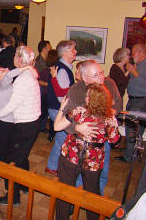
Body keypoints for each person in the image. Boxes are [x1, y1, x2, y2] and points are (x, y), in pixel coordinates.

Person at [54, 84, 120, 220]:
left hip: (73, 156)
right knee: (91, 194)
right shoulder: (109, 119)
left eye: (89, 95)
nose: (86, 97)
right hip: (90, 161)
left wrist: (62, 108)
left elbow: (56, 126)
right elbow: (115, 140)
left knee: (66, 192)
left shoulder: (79, 111)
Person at [0, 46, 40, 205]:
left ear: (17, 60)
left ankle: (14, 198)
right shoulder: (27, 74)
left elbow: (12, 105)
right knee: (20, 158)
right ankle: (24, 187)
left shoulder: (24, 78)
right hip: (30, 123)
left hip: (26, 125)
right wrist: (28, 66)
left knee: (14, 163)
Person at [62, 60, 122, 195]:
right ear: (84, 78)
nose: (101, 77)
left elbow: (118, 104)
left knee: (99, 177)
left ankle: (94, 203)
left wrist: (110, 114)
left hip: (100, 144)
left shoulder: (109, 84)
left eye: (101, 72)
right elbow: (64, 121)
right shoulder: (75, 91)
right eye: (96, 75)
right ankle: (74, 202)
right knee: (75, 179)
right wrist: (77, 128)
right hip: (78, 145)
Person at [115, 43, 146, 163]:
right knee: (134, 127)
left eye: (133, 53)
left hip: (142, 101)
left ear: (140, 52)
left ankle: (129, 156)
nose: (131, 56)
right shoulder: (140, 65)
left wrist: (134, 71)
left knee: (132, 127)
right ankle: (131, 151)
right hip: (135, 99)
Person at [45, 40, 77, 176]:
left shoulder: (64, 68)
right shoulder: (62, 70)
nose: (76, 52)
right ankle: (52, 166)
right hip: (58, 109)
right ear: (64, 53)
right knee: (62, 138)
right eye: (73, 50)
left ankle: (54, 165)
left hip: (57, 109)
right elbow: (61, 97)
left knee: (62, 137)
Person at [38, 49, 58, 140]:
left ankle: (48, 131)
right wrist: (48, 84)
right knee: (44, 113)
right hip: (46, 94)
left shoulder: (51, 70)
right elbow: (38, 80)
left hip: (47, 94)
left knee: (46, 113)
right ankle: (41, 130)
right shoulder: (47, 71)